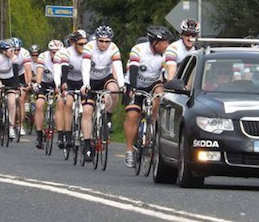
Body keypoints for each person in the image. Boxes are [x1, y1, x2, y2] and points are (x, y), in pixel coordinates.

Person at [123, 26, 172, 168]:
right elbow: (133, 69)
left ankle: (153, 125)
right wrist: (132, 88)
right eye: (164, 42)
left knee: (160, 92)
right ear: (155, 42)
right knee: (132, 116)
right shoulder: (139, 50)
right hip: (135, 84)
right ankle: (129, 150)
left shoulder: (165, 53)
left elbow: (166, 73)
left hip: (153, 83)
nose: (167, 45)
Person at [80, 25, 124, 162]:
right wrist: (85, 84)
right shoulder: (89, 47)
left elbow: (118, 67)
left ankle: (108, 118)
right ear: (96, 39)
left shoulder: (114, 48)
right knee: (87, 111)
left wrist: (122, 85)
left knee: (114, 89)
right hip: (91, 80)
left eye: (107, 41)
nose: (104, 44)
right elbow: (85, 67)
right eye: (101, 41)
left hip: (105, 77)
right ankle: (87, 144)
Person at [55, 30, 88, 149]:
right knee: (67, 103)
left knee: (88, 106)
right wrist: (63, 84)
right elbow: (63, 68)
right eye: (80, 44)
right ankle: (68, 135)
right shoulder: (67, 53)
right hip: (69, 81)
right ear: (74, 44)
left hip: (82, 81)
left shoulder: (89, 52)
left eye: (85, 44)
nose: (83, 47)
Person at [33, 39, 65, 148]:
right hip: (45, 83)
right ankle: (39, 134)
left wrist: (59, 87)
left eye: (57, 52)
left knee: (60, 104)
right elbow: (39, 72)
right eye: (53, 52)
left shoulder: (64, 57)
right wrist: (37, 84)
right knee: (39, 104)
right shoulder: (43, 57)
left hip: (58, 83)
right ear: (49, 51)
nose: (55, 55)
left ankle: (61, 133)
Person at [0, 39, 20, 139]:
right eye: (10, 50)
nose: (12, 52)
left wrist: (17, 85)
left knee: (12, 103)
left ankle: (11, 127)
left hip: (10, 78)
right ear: (3, 51)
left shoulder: (13, 57)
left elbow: (16, 73)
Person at [11, 37, 32, 135]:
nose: (16, 52)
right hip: (9, 74)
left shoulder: (24, 53)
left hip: (20, 74)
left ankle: (21, 125)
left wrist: (28, 83)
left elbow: (28, 69)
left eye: (18, 50)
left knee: (21, 99)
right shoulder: (7, 53)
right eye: (14, 50)